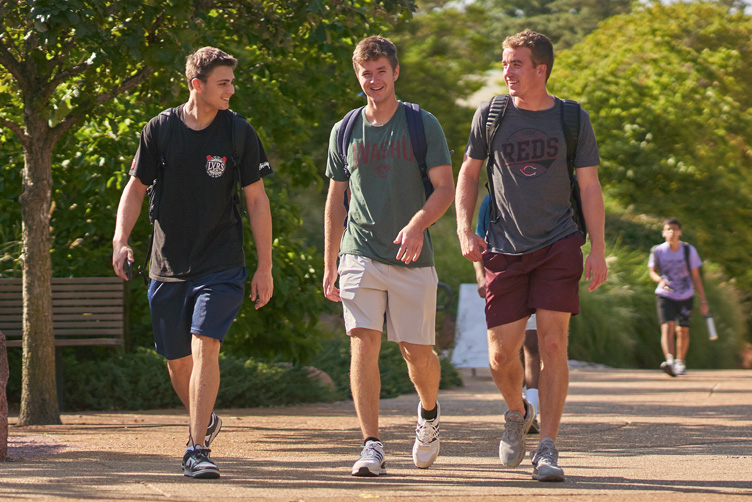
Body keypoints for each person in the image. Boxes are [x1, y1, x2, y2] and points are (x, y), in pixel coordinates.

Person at [112, 47, 274, 479]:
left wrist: (264, 266)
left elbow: (257, 201)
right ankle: (203, 418)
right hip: (167, 264)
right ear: (196, 85)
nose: (231, 90)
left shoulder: (238, 132)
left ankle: (196, 446)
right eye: (223, 83)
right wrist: (120, 240)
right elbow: (136, 188)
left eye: (232, 82)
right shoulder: (160, 129)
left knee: (206, 345)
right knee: (177, 360)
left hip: (221, 262)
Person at [455, 29, 608, 482]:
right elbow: (468, 173)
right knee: (502, 358)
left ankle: (548, 447)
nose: (507, 72)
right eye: (504, 63)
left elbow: (590, 186)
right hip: (503, 246)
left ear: (541, 69)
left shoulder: (571, 119)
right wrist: (465, 228)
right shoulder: (492, 115)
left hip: (559, 242)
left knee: (554, 344)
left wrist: (597, 249)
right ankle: (517, 412)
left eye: (516, 64)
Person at [323, 36, 454, 477]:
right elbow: (335, 199)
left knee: (417, 354)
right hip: (359, 251)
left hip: (411, 258)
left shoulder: (421, 124)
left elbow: (444, 189)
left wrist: (417, 225)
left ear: (395, 72)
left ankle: (430, 414)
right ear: (357, 75)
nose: (373, 79)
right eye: (365, 72)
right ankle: (371, 444)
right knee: (363, 341)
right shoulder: (345, 129)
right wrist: (330, 262)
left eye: (381, 71)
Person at [474, 194, 540, 433]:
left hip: (538, 274)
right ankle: (520, 405)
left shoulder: (546, 187)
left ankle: (532, 408)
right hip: (503, 278)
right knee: (507, 352)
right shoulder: (491, 200)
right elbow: (479, 241)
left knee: (533, 345)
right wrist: (481, 278)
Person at [648, 218, 708, 377]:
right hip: (665, 294)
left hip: (686, 294)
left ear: (680, 232)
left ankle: (680, 361)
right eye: (668, 229)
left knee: (682, 330)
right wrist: (659, 280)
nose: (671, 232)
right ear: (663, 233)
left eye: (674, 229)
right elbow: (652, 271)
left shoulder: (688, 250)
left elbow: (696, 277)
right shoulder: (657, 251)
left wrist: (703, 300)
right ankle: (669, 360)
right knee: (666, 327)